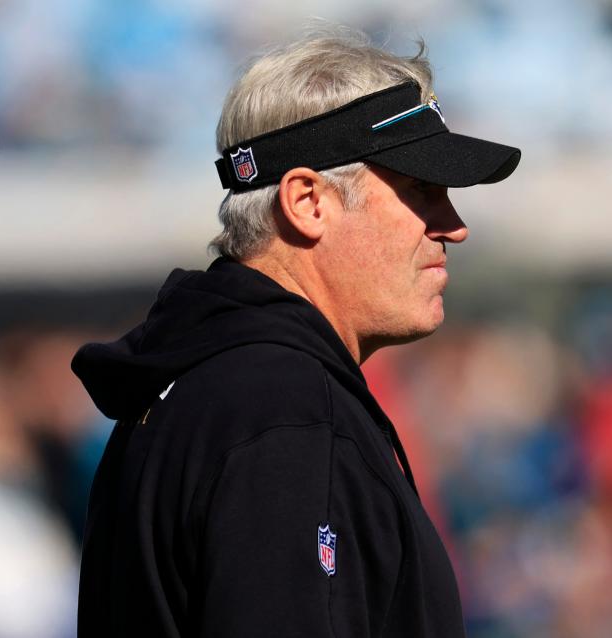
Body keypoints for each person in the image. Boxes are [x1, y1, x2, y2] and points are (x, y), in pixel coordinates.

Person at [71, 27, 520, 638]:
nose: (453, 226)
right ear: (308, 202)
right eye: (420, 190)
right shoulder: (286, 410)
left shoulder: (203, 384)